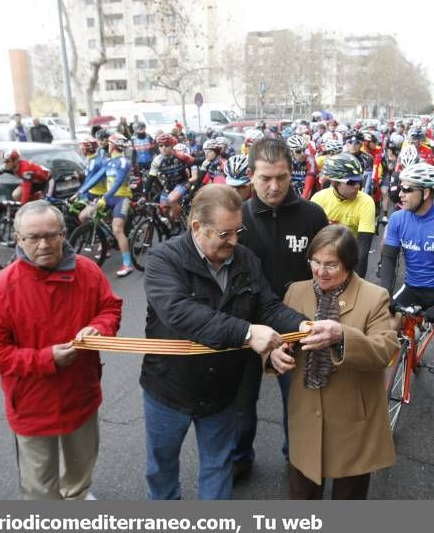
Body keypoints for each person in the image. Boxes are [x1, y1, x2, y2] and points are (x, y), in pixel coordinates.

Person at [141, 184, 310, 500]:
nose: (235, 241)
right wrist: (248, 333)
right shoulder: (164, 258)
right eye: (225, 234)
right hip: (169, 387)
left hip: (223, 388)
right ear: (197, 228)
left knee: (219, 466)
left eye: (238, 231)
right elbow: (180, 313)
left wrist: (304, 326)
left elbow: (267, 306)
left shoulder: (245, 258)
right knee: (161, 469)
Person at [0, 200, 122, 500]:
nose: (43, 244)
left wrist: (99, 328)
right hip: (31, 402)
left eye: (51, 235)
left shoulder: (87, 272)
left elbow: (110, 308)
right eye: (33, 237)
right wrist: (46, 359)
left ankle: (77, 497)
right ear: (18, 239)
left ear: (64, 233)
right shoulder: (2, 289)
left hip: (81, 392)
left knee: (80, 471)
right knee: (40, 486)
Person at [268, 225, 397, 499]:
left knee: (347, 500)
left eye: (331, 265)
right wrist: (273, 355)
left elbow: (384, 350)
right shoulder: (296, 292)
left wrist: (341, 336)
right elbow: (280, 341)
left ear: (349, 264)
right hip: (306, 414)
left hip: (353, 420)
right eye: (315, 262)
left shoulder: (374, 297)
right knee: (302, 496)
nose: (320, 271)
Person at [233, 138, 330, 480]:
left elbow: (330, 270)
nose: (274, 186)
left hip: (296, 327)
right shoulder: (238, 217)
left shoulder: (313, 215)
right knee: (241, 404)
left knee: (299, 405)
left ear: (293, 174)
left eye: (282, 177)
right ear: (250, 176)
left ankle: (297, 459)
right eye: (264, 178)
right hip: (246, 328)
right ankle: (240, 457)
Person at [380, 162, 434, 454]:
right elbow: (389, 260)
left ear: (427, 193)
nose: (399, 193)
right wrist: (385, 296)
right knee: (386, 329)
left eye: (407, 189)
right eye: (399, 187)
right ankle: (380, 396)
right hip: (413, 286)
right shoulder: (399, 218)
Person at [78, 132, 135, 277]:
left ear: (114, 145)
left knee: (117, 230)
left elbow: (117, 183)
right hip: (108, 197)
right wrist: (80, 192)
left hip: (121, 198)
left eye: (110, 143)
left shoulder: (123, 162)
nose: (108, 146)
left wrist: (104, 197)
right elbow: (96, 178)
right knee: (83, 215)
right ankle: (105, 242)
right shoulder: (109, 162)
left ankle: (127, 264)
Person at [311, 153, 375, 278]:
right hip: (323, 257)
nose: (357, 186)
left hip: (350, 256)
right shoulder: (319, 199)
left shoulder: (366, 202)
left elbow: (363, 250)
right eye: (351, 182)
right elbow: (310, 242)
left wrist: (356, 283)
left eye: (359, 181)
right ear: (334, 182)